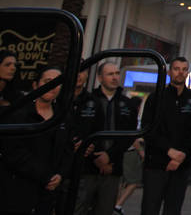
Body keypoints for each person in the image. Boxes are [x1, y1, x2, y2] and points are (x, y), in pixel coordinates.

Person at [141, 56, 191, 215]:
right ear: (170, 72)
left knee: (173, 209)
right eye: (177, 69)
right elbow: (148, 129)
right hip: (156, 163)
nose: (180, 73)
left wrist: (181, 155)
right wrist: (168, 151)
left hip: (181, 166)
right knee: (150, 208)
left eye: (184, 70)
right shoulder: (156, 97)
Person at [0, 66, 68, 215]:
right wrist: (45, 175)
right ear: (35, 85)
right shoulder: (19, 114)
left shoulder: (63, 117)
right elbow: (13, 151)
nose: (52, 86)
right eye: (47, 81)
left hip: (47, 194)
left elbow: (67, 150)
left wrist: (59, 175)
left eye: (57, 82)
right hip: (17, 189)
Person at [74, 61, 138, 214]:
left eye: (117, 73)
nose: (115, 77)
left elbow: (129, 135)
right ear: (100, 78)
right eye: (110, 74)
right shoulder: (87, 101)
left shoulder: (127, 104)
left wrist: (109, 157)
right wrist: (97, 157)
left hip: (113, 168)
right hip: (87, 167)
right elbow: (83, 131)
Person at [112, 137, 144, 215]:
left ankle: (116, 205)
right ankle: (117, 205)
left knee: (121, 181)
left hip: (122, 150)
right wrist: (141, 151)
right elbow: (133, 138)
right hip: (130, 151)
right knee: (134, 181)